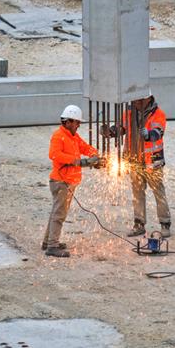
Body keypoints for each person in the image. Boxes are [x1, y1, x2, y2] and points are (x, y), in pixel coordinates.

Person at [103, 95, 171, 238]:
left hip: (152, 162)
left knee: (159, 193)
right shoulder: (129, 112)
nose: (135, 103)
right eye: (133, 101)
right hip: (134, 161)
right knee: (137, 194)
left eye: (138, 101)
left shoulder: (159, 114)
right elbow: (122, 128)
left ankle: (165, 224)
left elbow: (158, 133)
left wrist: (148, 135)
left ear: (147, 99)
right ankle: (139, 224)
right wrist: (111, 132)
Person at [42, 104, 100, 257]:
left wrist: (96, 156)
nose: (78, 125)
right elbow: (54, 155)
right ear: (67, 122)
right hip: (61, 181)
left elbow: (84, 147)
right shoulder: (58, 136)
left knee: (57, 212)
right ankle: (52, 246)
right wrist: (78, 161)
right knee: (59, 214)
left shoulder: (73, 136)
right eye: (77, 122)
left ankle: (48, 241)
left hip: (67, 181)